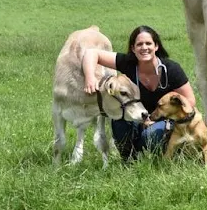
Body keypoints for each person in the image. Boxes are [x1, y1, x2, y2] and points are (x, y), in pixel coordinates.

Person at [82, 25, 196, 161]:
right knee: (118, 117)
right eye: (139, 44)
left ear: (156, 46)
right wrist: (90, 78)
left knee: (150, 136)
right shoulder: (128, 63)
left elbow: (190, 101)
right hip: (137, 115)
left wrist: (158, 119)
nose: (144, 47)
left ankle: (159, 153)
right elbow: (91, 53)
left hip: (163, 119)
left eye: (148, 43)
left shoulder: (171, 69)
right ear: (133, 48)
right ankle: (129, 158)